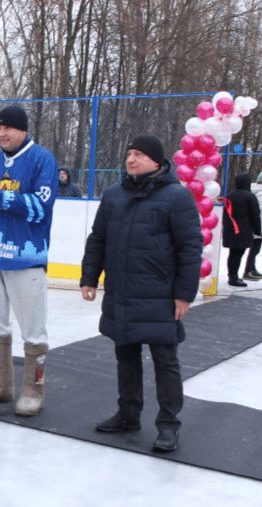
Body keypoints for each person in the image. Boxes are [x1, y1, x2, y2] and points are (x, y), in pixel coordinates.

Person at [80, 134, 203, 453]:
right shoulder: (113, 195)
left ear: (156, 160)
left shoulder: (177, 197)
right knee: (126, 354)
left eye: (138, 154)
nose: (130, 159)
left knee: (165, 359)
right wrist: (89, 276)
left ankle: (168, 425)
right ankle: (128, 414)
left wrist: (184, 293)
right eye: (128, 154)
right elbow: (98, 239)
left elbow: (190, 247)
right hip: (121, 292)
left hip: (160, 295)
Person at [0, 105, 59, 416]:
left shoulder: (42, 159)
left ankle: (34, 389)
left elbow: (41, 206)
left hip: (27, 259)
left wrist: (2, 199)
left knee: (33, 330)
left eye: (9, 128)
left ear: (23, 130)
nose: (2, 133)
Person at [222, 173, 261, 287]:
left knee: (233, 253)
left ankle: (232, 275)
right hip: (243, 230)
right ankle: (234, 277)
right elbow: (255, 215)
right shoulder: (250, 196)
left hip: (230, 229)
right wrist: (258, 230)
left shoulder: (230, 195)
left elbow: (226, 213)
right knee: (238, 254)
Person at [243, 170, 262, 280]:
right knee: (255, 249)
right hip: (259, 226)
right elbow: (260, 211)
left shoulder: (255, 190)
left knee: (254, 248)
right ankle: (247, 271)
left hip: (254, 225)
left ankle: (252, 269)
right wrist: (259, 228)